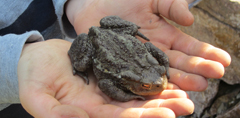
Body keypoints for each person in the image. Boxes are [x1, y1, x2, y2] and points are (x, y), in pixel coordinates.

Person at [0, 0, 231, 117]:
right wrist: (14, 59)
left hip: (117, 38)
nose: (160, 84)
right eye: (149, 86)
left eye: (160, 78)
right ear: (135, 84)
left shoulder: (152, 66)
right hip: (95, 46)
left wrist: (163, 71)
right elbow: (105, 83)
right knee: (81, 63)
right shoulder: (121, 80)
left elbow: (156, 52)